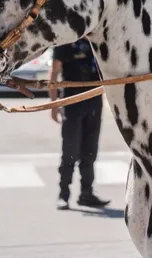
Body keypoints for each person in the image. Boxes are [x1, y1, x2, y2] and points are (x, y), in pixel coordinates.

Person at [50, 38, 109, 211]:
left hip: (94, 100)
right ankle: (63, 194)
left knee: (90, 151)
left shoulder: (95, 40)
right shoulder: (65, 41)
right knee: (70, 151)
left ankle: (87, 193)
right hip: (72, 100)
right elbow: (54, 72)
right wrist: (53, 105)